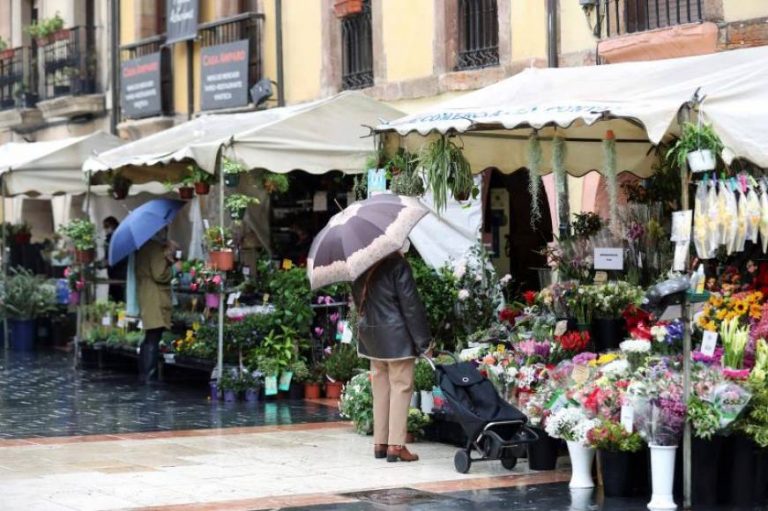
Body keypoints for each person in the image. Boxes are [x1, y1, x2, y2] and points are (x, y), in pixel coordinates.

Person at [351, 241, 431, 462]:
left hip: (372, 338)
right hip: (397, 339)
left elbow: (359, 300)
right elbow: (411, 306)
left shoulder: (361, 263)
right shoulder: (398, 264)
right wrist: (424, 343)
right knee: (401, 388)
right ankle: (396, 445)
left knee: (381, 391)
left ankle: (380, 443)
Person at [135, 231, 177, 383]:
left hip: (147, 294)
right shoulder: (155, 248)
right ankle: (149, 375)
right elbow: (159, 274)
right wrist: (172, 266)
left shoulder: (143, 247)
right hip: (155, 296)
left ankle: (144, 373)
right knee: (153, 336)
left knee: (149, 336)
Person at [103, 217, 127, 302]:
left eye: (107, 226)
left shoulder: (117, 238)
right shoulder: (109, 239)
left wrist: (109, 262)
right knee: (115, 299)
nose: (105, 229)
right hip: (114, 274)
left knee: (118, 299)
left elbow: (122, 256)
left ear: (113, 225)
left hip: (119, 274)